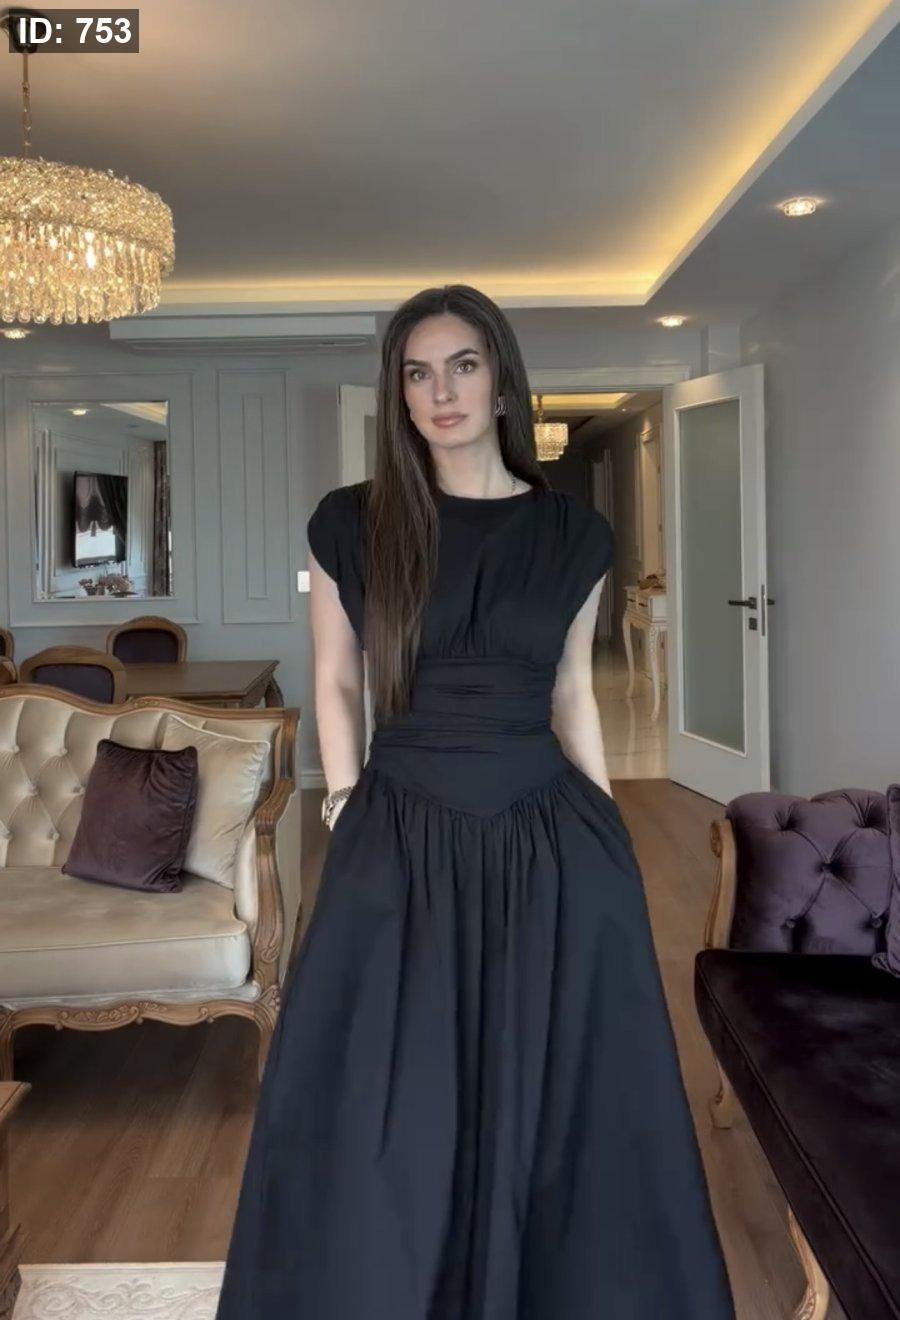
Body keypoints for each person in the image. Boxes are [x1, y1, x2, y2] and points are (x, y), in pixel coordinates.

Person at [214, 283, 735, 1318]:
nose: (440, 392)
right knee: (381, 1085)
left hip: (547, 834)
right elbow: (337, 681)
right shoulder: (352, 522)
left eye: (461, 365)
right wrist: (344, 803)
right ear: (398, 394)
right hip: (398, 825)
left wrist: (609, 830)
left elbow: (571, 691)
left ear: (500, 380)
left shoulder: (574, 534)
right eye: (417, 373)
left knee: (554, 1087)